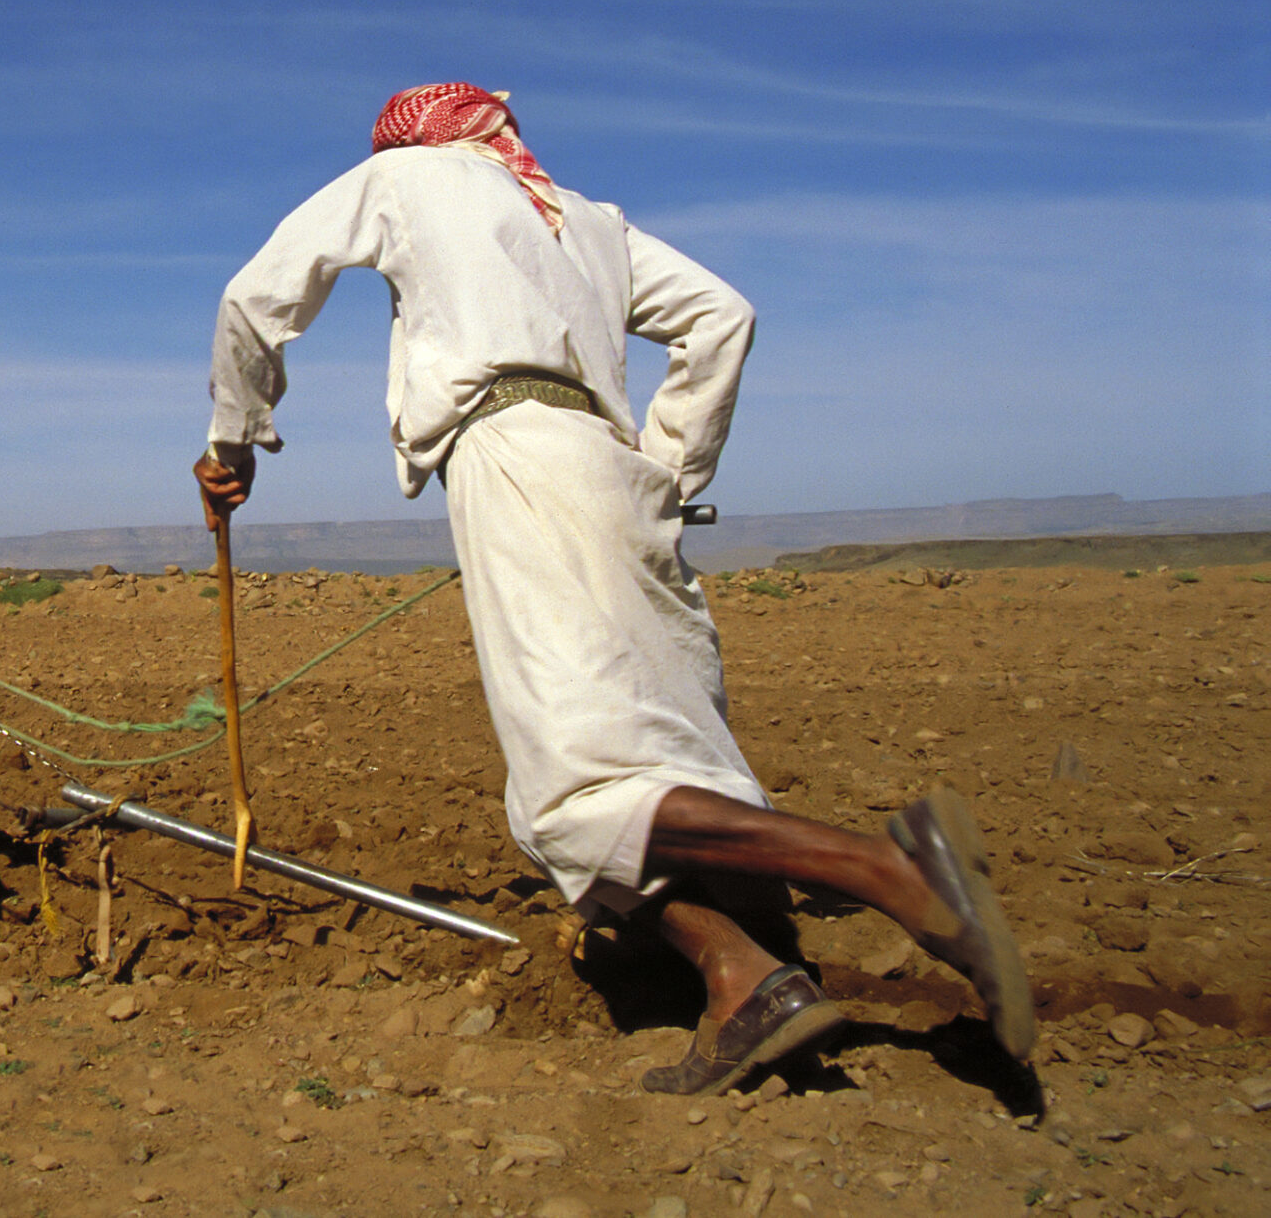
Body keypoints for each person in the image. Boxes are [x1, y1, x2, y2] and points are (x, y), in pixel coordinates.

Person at [193, 82, 1033, 1094]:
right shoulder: (585, 220)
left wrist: (232, 436)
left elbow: (257, 295)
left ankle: (888, 869)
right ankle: (744, 979)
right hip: (618, 472)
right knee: (639, 755)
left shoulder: (404, 178)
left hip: (517, 458)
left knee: (571, 793)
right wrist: (667, 474)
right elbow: (723, 317)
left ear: (413, 139)